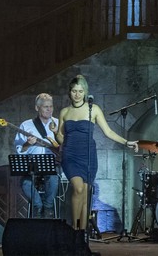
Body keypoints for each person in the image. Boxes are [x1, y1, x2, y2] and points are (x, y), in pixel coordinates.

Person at [56, 75, 138, 232]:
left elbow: (108, 132)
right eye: (74, 91)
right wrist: (57, 135)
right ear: (70, 92)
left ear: (85, 92)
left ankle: (82, 234)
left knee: (86, 194)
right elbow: (60, 137)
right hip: (70, 155)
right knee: (78, 189)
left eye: (80, 91)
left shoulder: (93, 109)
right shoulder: (65, 112)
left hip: (88, 156)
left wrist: (126, 142)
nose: (77, 94)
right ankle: (75, 228)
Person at [15, 93, 60, 218]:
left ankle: (48, 207)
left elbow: (66, 145)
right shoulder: (26, 125)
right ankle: (38, 206)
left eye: (51, 106)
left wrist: (57, 135)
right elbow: (19, 150)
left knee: (53, 179)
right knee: (25, 183)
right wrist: (27, 144)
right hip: (32, 165)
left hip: (53, 164)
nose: (49, 109)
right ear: (37, 108)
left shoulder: (58, 123)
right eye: (45, 106)